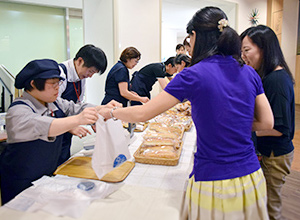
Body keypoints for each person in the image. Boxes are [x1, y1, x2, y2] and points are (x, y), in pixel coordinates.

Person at [100, 7, 274, 220]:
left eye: (189, 38)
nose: (189, 45)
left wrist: (114, 112)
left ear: (196, 36)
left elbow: (143, 114)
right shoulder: (249, 72)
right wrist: (230, 123)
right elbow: (267, 122)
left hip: (214, 182)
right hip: (252, 178)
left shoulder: (193, 74)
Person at [0, 59, 120, 205]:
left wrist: (103, 108)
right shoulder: (18, 110)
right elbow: (45, 126)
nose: (58, 88)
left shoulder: (54, 103)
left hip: (45, 176)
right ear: (33, 83)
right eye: (53, 84)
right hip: (20, 181)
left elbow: (76, 108)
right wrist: (78, 120)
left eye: (59, 83)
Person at [241, 25, 295, 220]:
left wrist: (242, 127)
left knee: (270, 207)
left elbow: (280, 129)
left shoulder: (277, 80)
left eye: (247, 50)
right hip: (268, 151)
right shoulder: (267, 76)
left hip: (275, 154)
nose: (243, 56)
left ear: (264, 48)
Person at [58, 44, 108, 165]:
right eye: (90, 71)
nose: (90, 76)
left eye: (94, 73)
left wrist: (92, 119)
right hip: (53, 127)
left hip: (65, 129)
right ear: (80, 61)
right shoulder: (60, 73)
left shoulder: (81, 77)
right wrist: (70, 126)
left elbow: (78, 104)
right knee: (53, 162)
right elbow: (52, 107)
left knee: (64, 159)